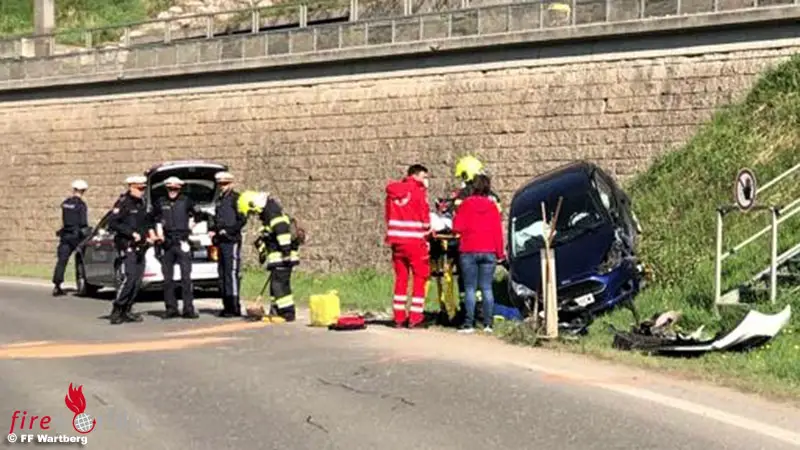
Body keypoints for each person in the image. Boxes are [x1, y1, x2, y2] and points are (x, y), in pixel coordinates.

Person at [240, 191, 305, 322]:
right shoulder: (269, 216)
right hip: (278, 259)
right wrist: (262, 250)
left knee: (279, 286)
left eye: (253, 212)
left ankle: (287, 313)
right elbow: (269, 238)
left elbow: (283, 234)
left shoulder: (274, 216)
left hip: (283, 258)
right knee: (275, 286)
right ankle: (275, 309)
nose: (255, 215)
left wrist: (286, 253)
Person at [452, 174, 505, 334]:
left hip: (469, 249)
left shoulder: (466, 204)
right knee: (487, 288)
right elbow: (498, 232)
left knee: (470, 288)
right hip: (489, 250)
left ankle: (469, 323)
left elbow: (457, 227)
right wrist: (500, 253)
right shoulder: (492, 206)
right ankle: (488, 324)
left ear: (473, 187)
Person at [385, 164, 432, 328]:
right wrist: (428, 230)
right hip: (415, 241)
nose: (426, 180)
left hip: (397, 241)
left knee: (401, 278)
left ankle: (398, 317)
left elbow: (388, 215)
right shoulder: (418, 192)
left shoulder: (392, 192)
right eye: (424, 177)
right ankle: (415, 317)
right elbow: (424, 217)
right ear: (416, 175)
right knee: (420, 277)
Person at [148, 176, 199, 320]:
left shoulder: (186, 201)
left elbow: (199, 214)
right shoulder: (160, 202)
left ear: (179, 188)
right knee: (167, 279)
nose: (172, 191)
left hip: (182, 241)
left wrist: (191, 226)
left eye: (175, 188)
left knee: (186, 277)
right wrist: (156, 233)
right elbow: (151, 219)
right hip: (167, 243)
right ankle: (171, 308)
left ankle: (188, 309)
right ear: (166, 188)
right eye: (170, 188)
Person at [107, 175, 152, 325]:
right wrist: (131, 233)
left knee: (137, 281)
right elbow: (113, 223)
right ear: (131, 187)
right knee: (130, 277)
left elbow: (145, 223)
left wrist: (149, 236)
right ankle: (117, 308)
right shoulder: (123, 202)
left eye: (143, 189)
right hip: (127, 245)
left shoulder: (142, 203)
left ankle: (127, 309)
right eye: (139, 189)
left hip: (141, 246)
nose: (142, 191)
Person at [209, 171, 247, 318]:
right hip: (221, 241)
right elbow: (216, 218)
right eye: (220, 184)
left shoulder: (237, 199)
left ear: (231, 183)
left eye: (225, 184)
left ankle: (234, 306)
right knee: (222, 274)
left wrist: (229, 231)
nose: (222, 186)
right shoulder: (219, 200)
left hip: (232, 240)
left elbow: (242, 220)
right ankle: (226, 306)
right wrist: (214, 230)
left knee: (231, 273)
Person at [52, 179, 89, 296]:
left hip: (65, 235)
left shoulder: (66, 203)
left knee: (62, 261)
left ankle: (57, 285)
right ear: (83, 191)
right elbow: (83, 223)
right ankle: (84, 284)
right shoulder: (81, 205)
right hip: (77, 236)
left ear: (74, 189)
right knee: (83, 259)